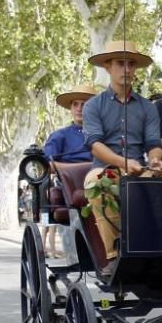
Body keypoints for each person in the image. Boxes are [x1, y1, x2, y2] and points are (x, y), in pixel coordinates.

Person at [82, 41, 162, 268]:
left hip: (140, 169)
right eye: (121, 63)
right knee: (96, 182)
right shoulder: (93, 106)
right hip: (106, 168)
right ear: (108, 67)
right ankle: (113, 254)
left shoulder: (148, 108)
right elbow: (95, 144)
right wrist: (123, 162)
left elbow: (153, 143)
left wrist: (155, 160)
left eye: (132, 64)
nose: (127, 69)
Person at [44, 84, 98, 257]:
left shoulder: (104, 134)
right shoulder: (60, 136)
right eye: (76, 104)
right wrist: (80, 168)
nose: (80, 108)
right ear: (71, 108)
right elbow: (47, 165)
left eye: (85, 104)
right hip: (72, 187)